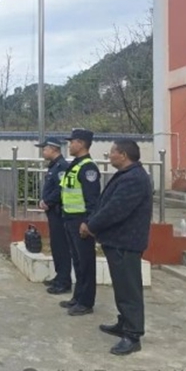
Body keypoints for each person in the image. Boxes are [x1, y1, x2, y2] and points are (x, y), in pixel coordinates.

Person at [82, 139, 153, 356]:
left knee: (129, 289)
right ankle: (124, 323)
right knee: (122, 287)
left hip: (126, 242)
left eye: (112, 152)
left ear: (123, 155)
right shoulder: (127, 174)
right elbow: (107, 204)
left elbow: (115, 209)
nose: (109, 155)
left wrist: (91, 226)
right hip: (118, 241)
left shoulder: (134, 178)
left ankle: (133, 335)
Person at [59, 128, 101, 316]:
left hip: (81, 221)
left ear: (82, 144)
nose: (69, 145)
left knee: (86, 263)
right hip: (70, 218)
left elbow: (93, 199)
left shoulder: (88, 168)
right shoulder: (76, 164)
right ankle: (78, 297)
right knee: (77, 262)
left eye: (72, 142)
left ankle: (86, 302)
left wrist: (88, 222)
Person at [35, 137, 72, 295]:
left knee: (62, 247)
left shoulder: (62, 166)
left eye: (45, 149)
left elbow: (61, 189)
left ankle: (64, 281)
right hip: (53, 211)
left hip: (59, 212)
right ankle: (59, 277)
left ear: (54, 149)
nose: (43, 152)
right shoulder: (54, 166)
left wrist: (48, 201)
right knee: (56, 246)